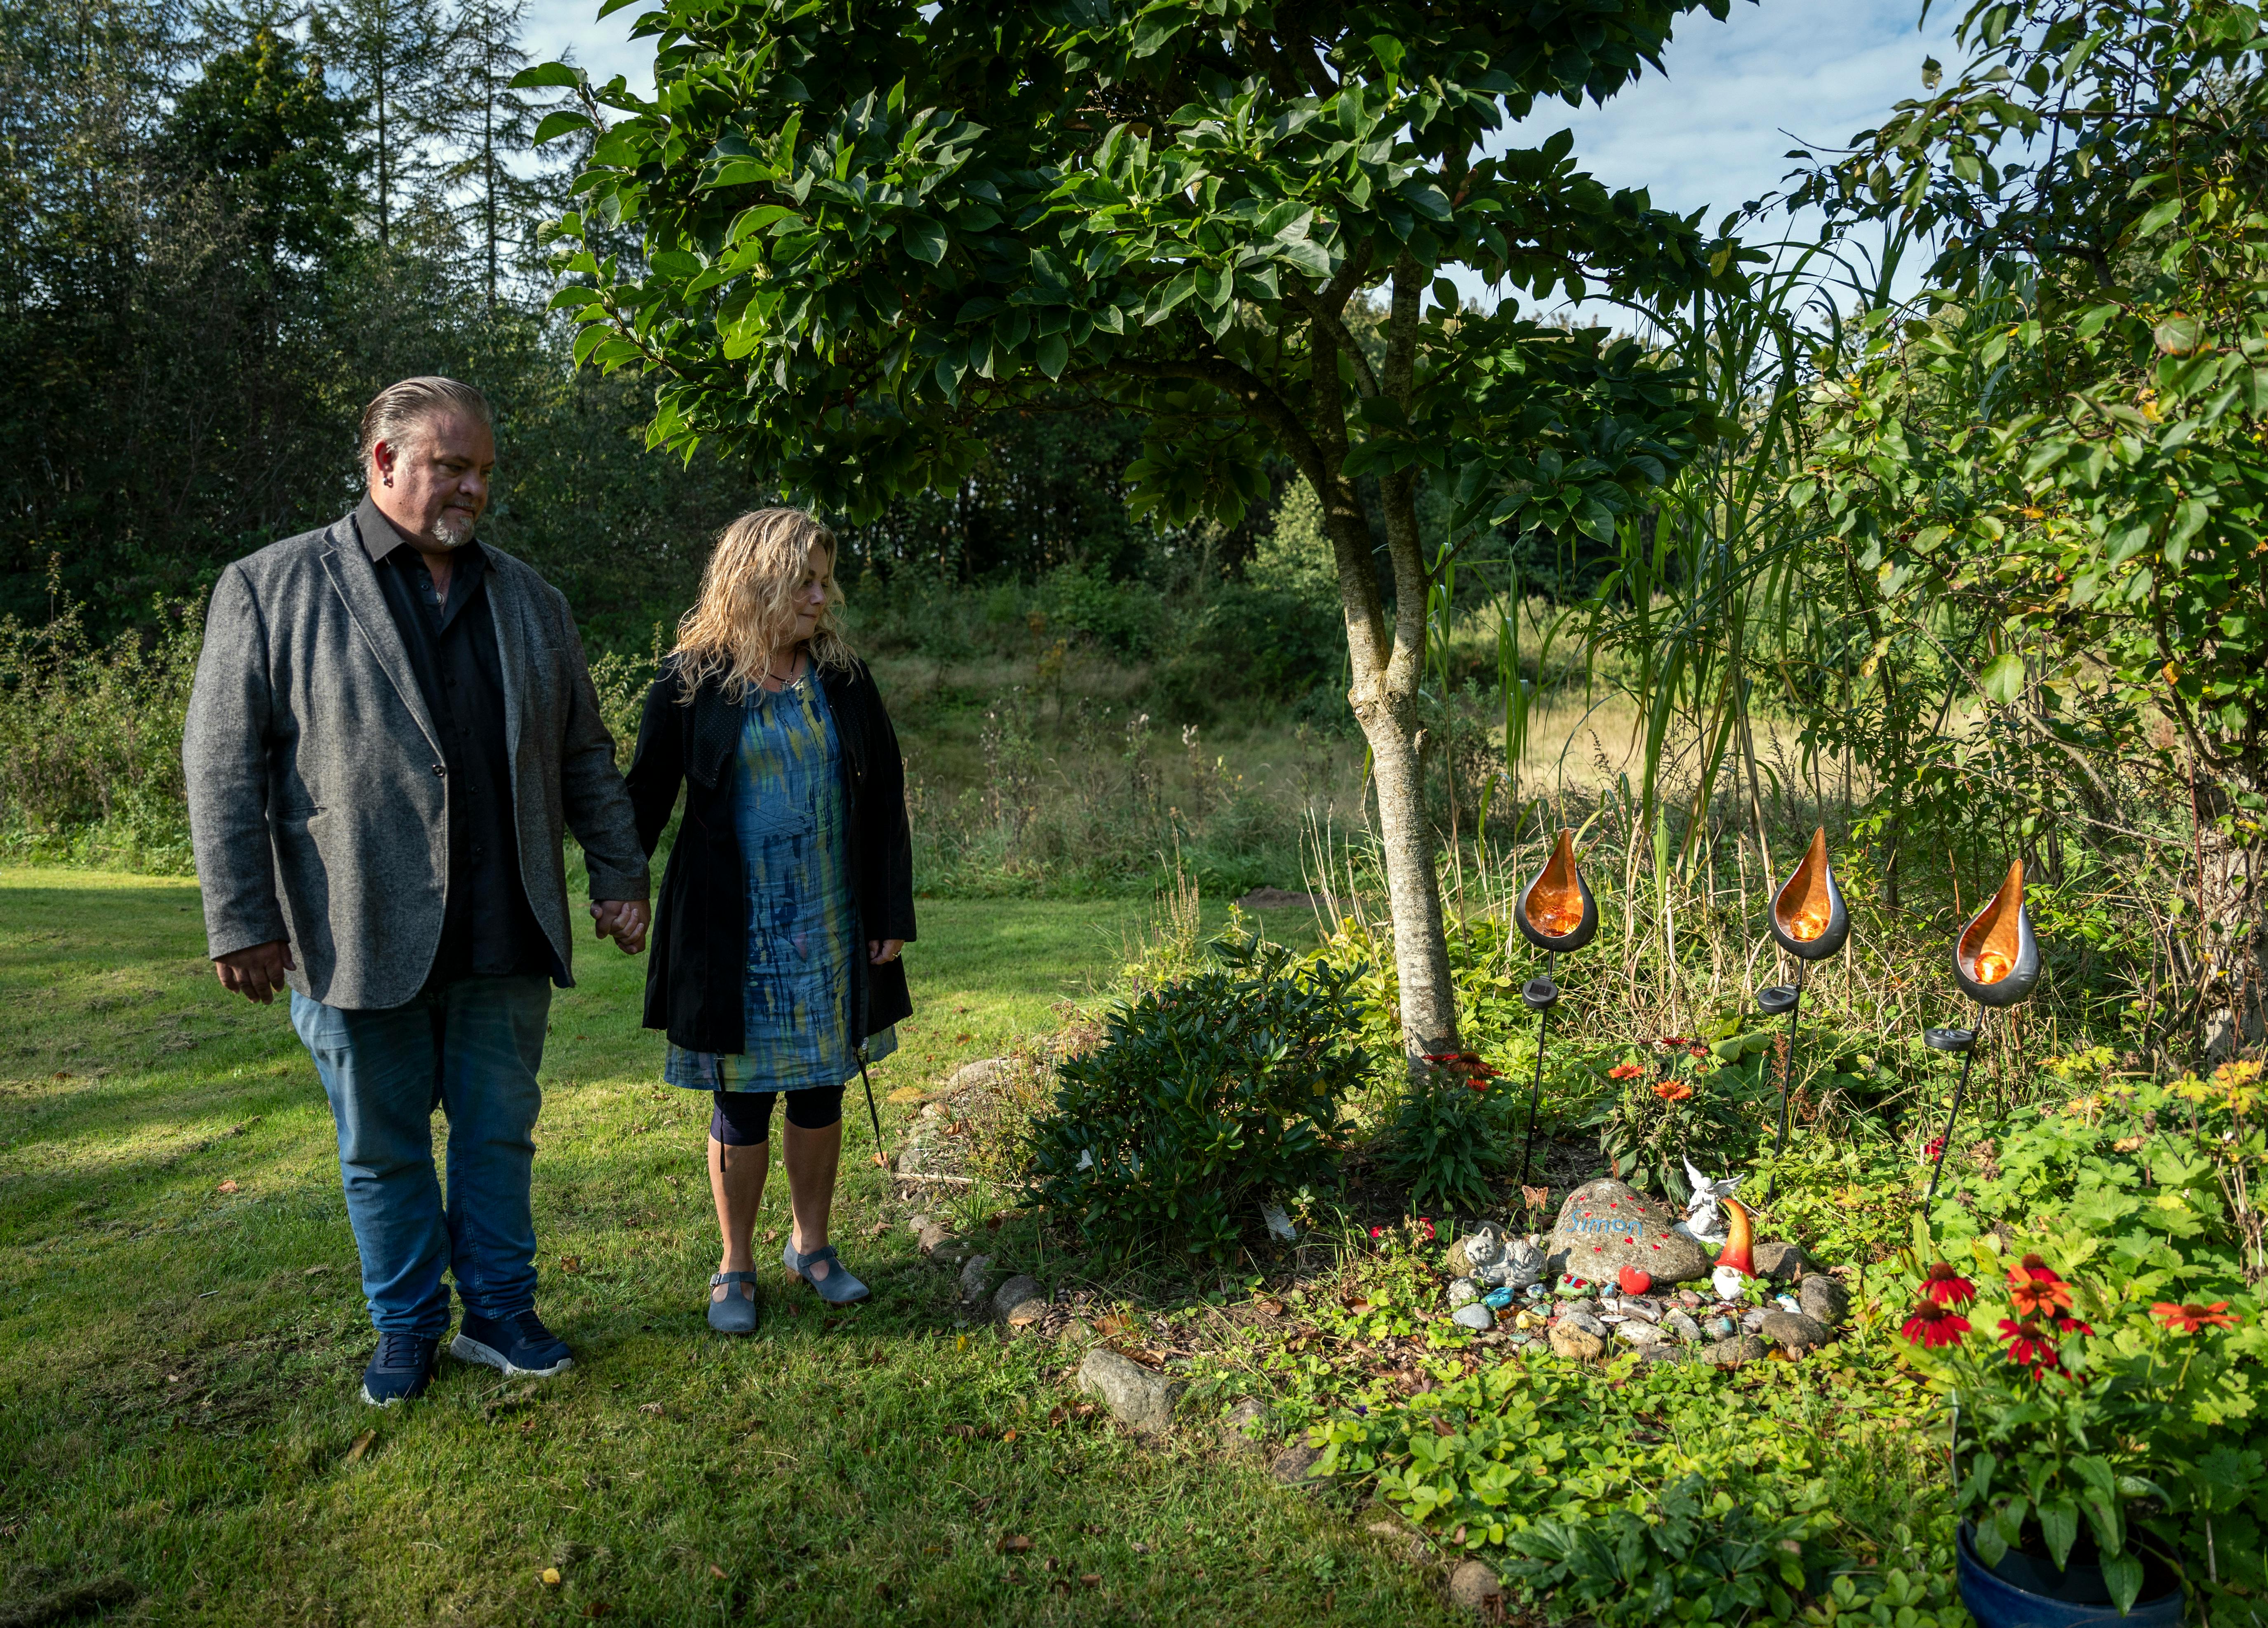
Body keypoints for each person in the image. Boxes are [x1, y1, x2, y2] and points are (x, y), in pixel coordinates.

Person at [183, 376, 652, 1404]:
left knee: (497, 1138)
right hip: (351, 926)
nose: (473, 488)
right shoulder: (270, 586)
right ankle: (404, 1328)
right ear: (384, 461)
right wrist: (242, 917)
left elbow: (582, 751)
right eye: (452, 466)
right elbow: (221, 767)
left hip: (505, 923)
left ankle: (501, 1314)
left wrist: (619, 872)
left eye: (483, 471)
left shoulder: (532, 600)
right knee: (381, 1150)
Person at [624, 508, 914, 1333]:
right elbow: (643, 798)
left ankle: (812, 1247)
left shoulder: (843, 678)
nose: (822, 598)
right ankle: (735, 1265)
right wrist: (620, 887)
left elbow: (885, 799)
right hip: (731, 934)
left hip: (832, 922)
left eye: (825, 581)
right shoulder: (691, 681)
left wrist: (890, 911)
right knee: (742, 1100)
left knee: (822, 1090)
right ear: (754, 583)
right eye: (804, 582)